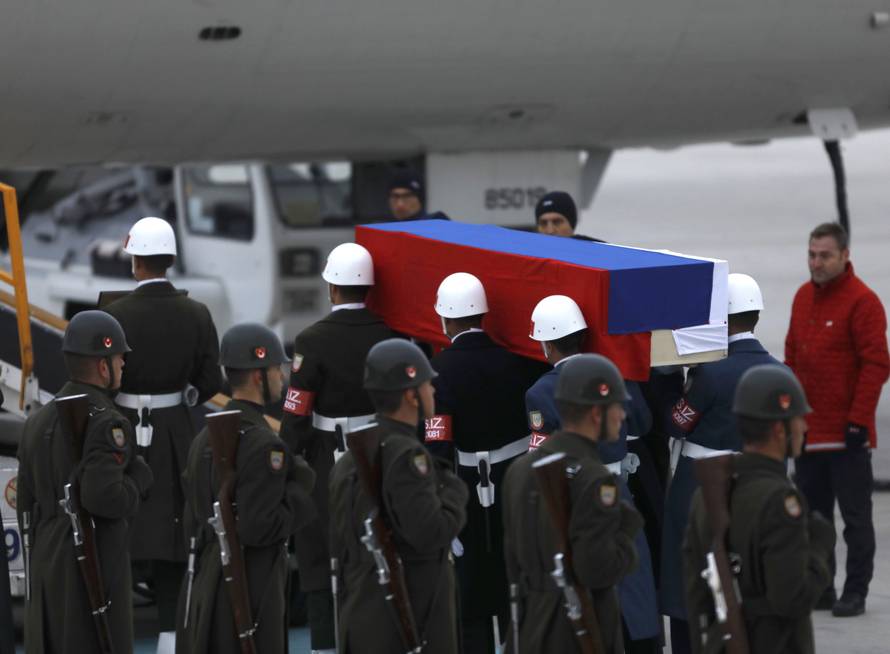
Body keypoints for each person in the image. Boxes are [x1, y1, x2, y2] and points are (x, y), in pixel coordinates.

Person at [105, 216, 222, 646]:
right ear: (170, 259)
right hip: (175, 431)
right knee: (176, 536)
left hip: (122, 430)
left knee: (119, 529)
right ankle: (171, 638)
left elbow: (104, 378)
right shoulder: (197, 313)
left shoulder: (113, 315)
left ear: (136, 262)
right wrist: (185, 393)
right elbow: (210, 379)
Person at [279, 242, 399, 653]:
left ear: (332, 287)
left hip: (327, 460)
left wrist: (287, 458)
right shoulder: (389, 336)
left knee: (320, 558)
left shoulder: (311, 340)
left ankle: (325, 645)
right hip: (380, 456)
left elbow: (297, 412)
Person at [525, 295, 661, 652]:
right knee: (633, 580)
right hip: (620, 489)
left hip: (575, 496)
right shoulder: (614, 375)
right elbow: (643, 424)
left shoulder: (541, 392)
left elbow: (540, 456)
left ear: (546, 345)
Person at [16, 311, 154, 653]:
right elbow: (106, 497)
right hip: (90, 562)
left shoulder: (36, 421)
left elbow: (25, 503)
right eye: (119, 358)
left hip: (46, 557)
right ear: (103, 366)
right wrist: (138, 478)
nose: (123, 363)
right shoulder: (107, 423)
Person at [426, 272, 547, 653]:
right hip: (515, 480)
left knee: (471, 592)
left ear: (445, 319)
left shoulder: (440, 371)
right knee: (515, 580)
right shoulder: (517, 359)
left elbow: (438, 446)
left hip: (465, 486)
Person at [177, 323, 316, 653]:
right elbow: (259, 526)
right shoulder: (263, 443)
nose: (281, 377)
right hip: (251, 585)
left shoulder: (202, 439)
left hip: (207, 579)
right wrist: (299, 490)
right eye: (276, 369)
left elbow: (191, 522)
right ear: (258, 375)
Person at [661, 272, 781, 652]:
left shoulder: (710, 373)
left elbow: (678, 423)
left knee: (687, 583)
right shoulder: (781, 372)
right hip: (757, 487)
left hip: (698, 486)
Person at [683, 364, 836, 653]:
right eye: (799, 420)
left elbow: (695, 596)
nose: (804, 428)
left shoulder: (706, 495)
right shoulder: (779, 501)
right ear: (779, 429)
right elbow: (792, 599)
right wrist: (819, 547)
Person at [329, 339, 468, 653]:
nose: (432, 391)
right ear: (410, 395)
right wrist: (454, 491)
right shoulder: (405, 456)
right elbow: (431, 532)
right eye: (427, 384)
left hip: (364, 614)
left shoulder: (350, 458)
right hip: (408, 620)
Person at [503, 353, 644, 653]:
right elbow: (598, 569)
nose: (622, 416)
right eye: (618, 406)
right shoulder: (595, 478)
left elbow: (513, 559)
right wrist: (627, 536)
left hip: (531, 624)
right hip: (579, 629)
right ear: (596, 413)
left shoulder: (519, 470)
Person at [785, 222, 889, 617]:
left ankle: (856, 591)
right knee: (813, 519)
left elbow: (877, 364)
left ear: (845, 255)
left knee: (855, 520)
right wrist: (790, 415)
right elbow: (792, 358)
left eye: (825, 255)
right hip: (808, 434)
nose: (816, 263)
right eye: (812, 255)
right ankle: (822, 587)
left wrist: (858, 420)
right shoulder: (802, 297)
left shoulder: (863, 302)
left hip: (847, 438)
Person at [534, 190, 602, 241]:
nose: (550, 231)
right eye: (543, 223)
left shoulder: (598, 253)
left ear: (571, 224)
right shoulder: (529, 252)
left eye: (557, 222)